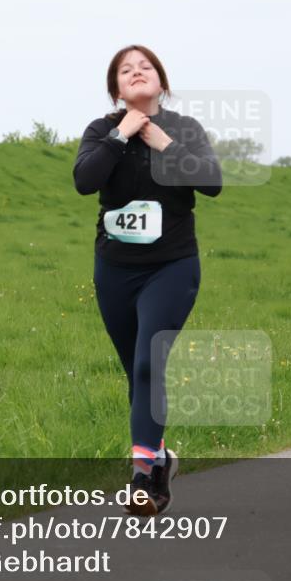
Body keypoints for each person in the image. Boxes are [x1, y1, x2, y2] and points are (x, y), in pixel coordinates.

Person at [73, 45, 221, 516]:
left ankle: (140, 476)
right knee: (135, 373)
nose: (137, 73)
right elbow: (84, 180)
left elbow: (212, 181)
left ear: (161, 80)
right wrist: (121, 135)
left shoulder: (183, 129)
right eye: (126, 70)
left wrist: (163, 144)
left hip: (171, 266)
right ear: (116, 88)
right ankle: (160, 464)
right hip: (115, 269)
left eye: (146, 68)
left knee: (147, 365)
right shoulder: (102, 130)